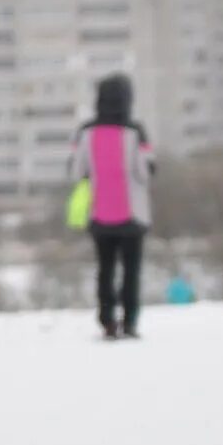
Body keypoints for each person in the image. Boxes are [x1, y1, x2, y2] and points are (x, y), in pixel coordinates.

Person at [66, 73, 155, 338]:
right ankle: (130, 321)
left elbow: (76, 172)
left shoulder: (85, 132)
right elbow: (145, 172)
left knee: (105, 269)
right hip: (132, 216)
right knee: (131, 271)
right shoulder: (135, 132)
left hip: (99, 215)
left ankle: (107, 321)